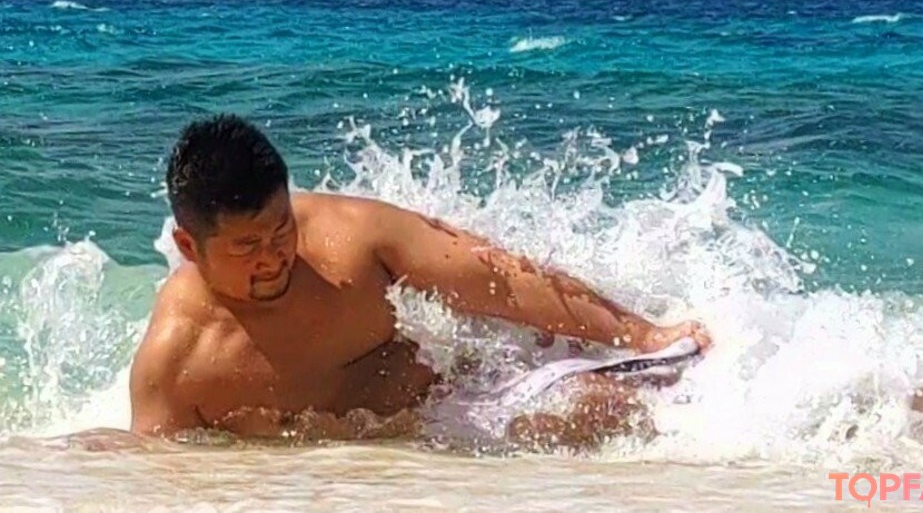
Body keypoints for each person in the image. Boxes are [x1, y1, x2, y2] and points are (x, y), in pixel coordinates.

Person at [128, 114, 712, 449]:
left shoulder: (353, 239)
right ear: (189, 247)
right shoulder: (178, 362)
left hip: (463, 403)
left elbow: (504, 281)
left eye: (282, 229)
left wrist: (643, 332)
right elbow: (170, 476)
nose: (273, 257)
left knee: (611, 408)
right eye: (247, 247)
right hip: (365, 476)